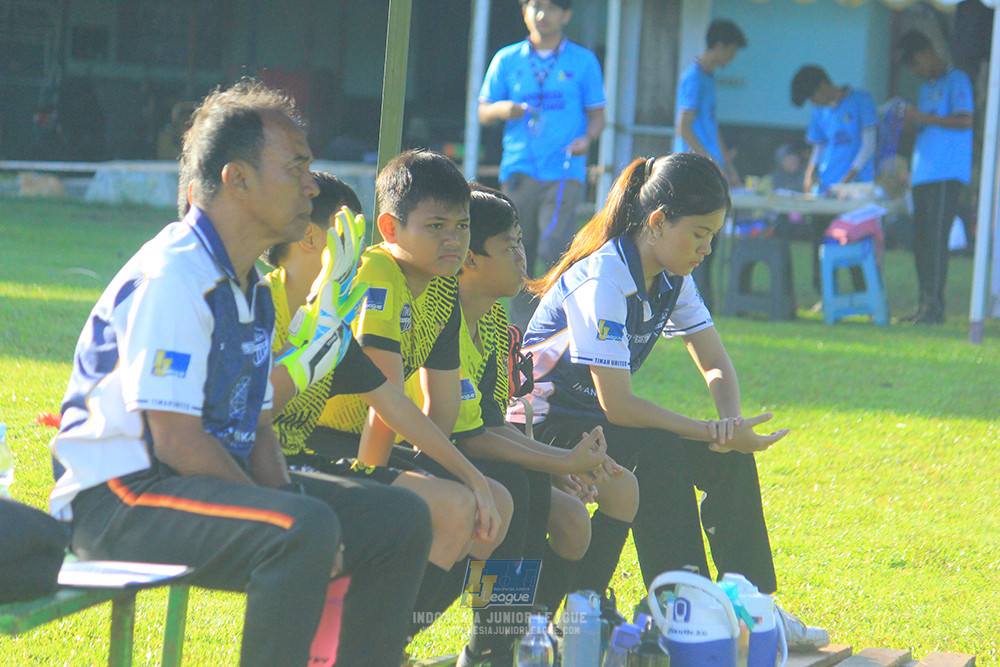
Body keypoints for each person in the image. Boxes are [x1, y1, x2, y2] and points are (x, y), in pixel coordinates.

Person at [48, 79, 433, 667]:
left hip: (183, 481)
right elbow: (174, 437)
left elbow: (252, 422)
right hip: (117, 497)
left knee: (399, 517)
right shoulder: (175, 276)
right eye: (297, 167)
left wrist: (282, 499)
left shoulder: (248, 282)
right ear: (238, 179)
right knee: (300, 528)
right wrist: (286, 514)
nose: (312, 185)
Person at [509, 152, 828, 650]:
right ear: (658, 223)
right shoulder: (603, 280)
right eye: (699, 233)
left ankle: (755, 605)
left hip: (596, 419)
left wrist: (730, 426)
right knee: (657, 448)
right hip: (543, 426)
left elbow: (715, 361)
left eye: (713, 236)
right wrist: (709, 429)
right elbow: (619, 406)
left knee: (728, 453)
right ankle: (691, 610)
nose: (707, 247)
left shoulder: (672, 275)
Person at [262, 171, 514, 642]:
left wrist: (476, 478)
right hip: (269, 469)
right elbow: (241, 417)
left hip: (302, 464)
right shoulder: (262, 303)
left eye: (462, 227)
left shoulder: (330, 318)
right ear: (310, 236)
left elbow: (393, 404)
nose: (358, 254)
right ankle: (364, 644)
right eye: (348, 237)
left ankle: (406, 643)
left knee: (497, 497)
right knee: (445, 507)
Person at [479, 0, 607, 330]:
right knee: (517, 251)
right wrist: (502, 109)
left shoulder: (583, 61)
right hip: (520, 169)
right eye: (534, 6)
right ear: (524, 11)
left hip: (564, 170)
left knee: (556, 247)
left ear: (566, 15)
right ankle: (522, 331)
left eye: (551, 8)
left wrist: (586, 140)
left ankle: (559, 323)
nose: (541, 15)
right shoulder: (507, 59)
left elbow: (598, 117)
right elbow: (483, 111)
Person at [898, 30, 974, 324]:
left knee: (936, 239)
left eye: (916, 63)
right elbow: (925, 124)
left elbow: (965, 120)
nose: (916, 71)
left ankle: (936, 306)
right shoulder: (925, 89)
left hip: (947, 171)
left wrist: (922, 118)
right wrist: (909, 123)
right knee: (921, 240)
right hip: (923, 172)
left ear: (929, 52)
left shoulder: (958, 81)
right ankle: (923, 303)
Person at [672, 18, 746, 310]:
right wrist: (710, 162)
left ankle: (706, 301)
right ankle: (691, 302)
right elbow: (685, 128)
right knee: (695, 235)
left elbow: (711, 127)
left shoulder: (709, 77)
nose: (732, 58)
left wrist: (728, 165)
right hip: (694, 170)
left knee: (709, 240)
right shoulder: (693, 77)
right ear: (719, 46)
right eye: (731, 51)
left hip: (711, 167)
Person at [791, 65, 878, 294]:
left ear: (823, 86)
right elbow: (819, 146)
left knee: (855, 241)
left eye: (813, 96)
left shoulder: (861, 100)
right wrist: (811, 172)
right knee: (820, 241)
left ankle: (865, 293)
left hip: (857, 189)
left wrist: (848, 179)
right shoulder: (820, 112)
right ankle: (825, 293)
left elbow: (869, 144)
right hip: (827, 190)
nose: (814, 102)